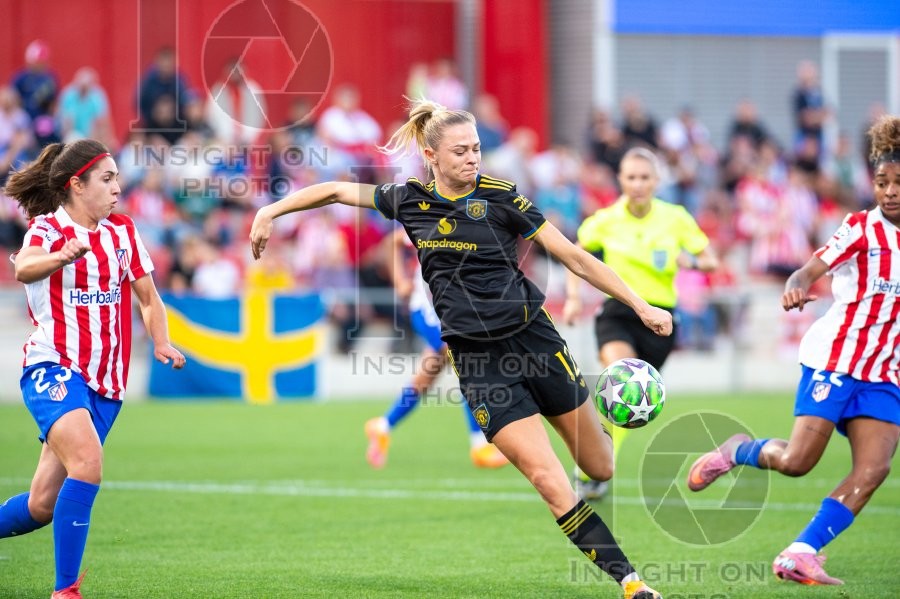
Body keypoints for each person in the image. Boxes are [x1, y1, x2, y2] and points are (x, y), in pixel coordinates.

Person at [251, 98, 672, 599]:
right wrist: (271, 209)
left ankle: (592, 424)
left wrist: (641, 305)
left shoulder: (503, 198)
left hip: (534, 340)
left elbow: (575, 257)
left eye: (476, 149)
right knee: (547, 478)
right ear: (431, 155)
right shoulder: (408, 198)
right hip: (477, 363)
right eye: (460, 151)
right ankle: (631, 582)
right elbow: (339, 190)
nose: (473, 158)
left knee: (600, 465)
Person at [686, 115, 900, 586]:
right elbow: (807, 270)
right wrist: (796, 287)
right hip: (836, 360)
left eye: (898, 183)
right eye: (882, 182)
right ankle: (738, 451)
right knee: (798, 462)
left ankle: (801, 551)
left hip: (884, 372)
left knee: (875, 468)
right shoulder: (863, 228)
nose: (889, 191)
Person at [0, 138, 185, 598]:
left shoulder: (122, 232)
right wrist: (60, 257)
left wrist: (160, 339)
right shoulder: (47, 231)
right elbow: (24, 268)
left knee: (42, 505)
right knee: (88, 462)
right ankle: (66, 591)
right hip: (53, 367)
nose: (118, 188)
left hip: (105, 386)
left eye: (118, 178)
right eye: (107, 179)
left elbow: (148, 297)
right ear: (76, 185)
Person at [563, 147, 718, 499]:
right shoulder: (606, 219)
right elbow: (575, 256)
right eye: (631, 177)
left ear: (656, 181)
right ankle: (593, 467)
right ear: (621, 180)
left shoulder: (675, 217)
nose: (637, 184)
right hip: (617, 312)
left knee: (632, 403)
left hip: (661, 318)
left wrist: (687, 262)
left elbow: (710, 260)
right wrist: (573, 297)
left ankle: (600, 463)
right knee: (621, 377)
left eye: (644, 177)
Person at [364, 229, 509, 469]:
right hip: (428, 308)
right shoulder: (434, 222)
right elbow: (392, 241)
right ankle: (479, 446)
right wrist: (400, 280)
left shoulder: (468, 221)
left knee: (427, 376)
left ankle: (382, 426)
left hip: (450, 310)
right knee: (468, 366)